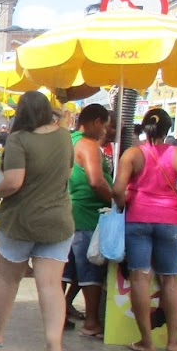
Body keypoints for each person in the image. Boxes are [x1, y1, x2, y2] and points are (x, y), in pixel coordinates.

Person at [0, 91, 74, 351]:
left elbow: (13, 181)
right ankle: (54, 348)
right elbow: (66, 173)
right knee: (50, 285)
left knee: (8, 280)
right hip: (58, 221)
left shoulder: (19, 139)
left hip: (20, 220)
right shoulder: (64, 136)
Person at [111, 108, 177, 351]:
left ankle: (146, 341)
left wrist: (124, 205)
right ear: (168, 130)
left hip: (138, 219)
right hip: (169, 222)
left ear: (144, 128)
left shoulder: (132, 154)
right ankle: (174, 342)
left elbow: (117, 189)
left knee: (140, 277)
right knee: (169, 278)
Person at [63, 105, 114, 338]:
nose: (105, 131)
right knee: (90, 271)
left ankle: (61, 313)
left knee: (67, 270)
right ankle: (92, 321)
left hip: (68, 211)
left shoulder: (68, 140)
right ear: (95, 122)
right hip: (87, 214)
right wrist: (117, 200)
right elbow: (96, 181)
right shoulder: (88, 145)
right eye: (104, 126)